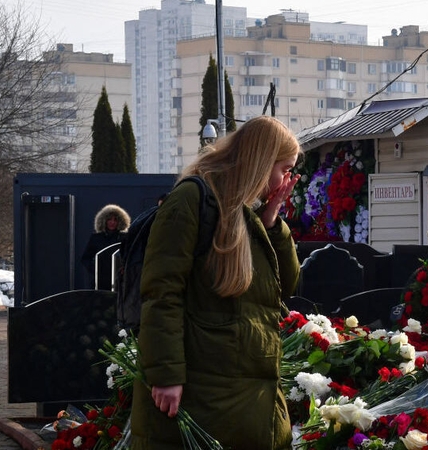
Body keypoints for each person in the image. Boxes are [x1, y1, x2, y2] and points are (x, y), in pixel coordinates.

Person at [129, 116, 301, 449]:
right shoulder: (193, 200)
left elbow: (287, 286)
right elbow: (162, 292)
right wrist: (165, 375)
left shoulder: (249, 214)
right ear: (262, 161)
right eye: (284, 168)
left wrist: (272, 221)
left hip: (239, 398)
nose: (286, 181)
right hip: (199, 396)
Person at [81, 204, 130, 289]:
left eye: (115, 220)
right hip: (99, 281)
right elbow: (85, 258)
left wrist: (124, 269)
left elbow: (130, 256)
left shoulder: (125, 238)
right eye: (109, 219)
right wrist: (95, 269)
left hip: (119, 280)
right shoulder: (96, 238)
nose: (112, 222)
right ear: (104, 221)